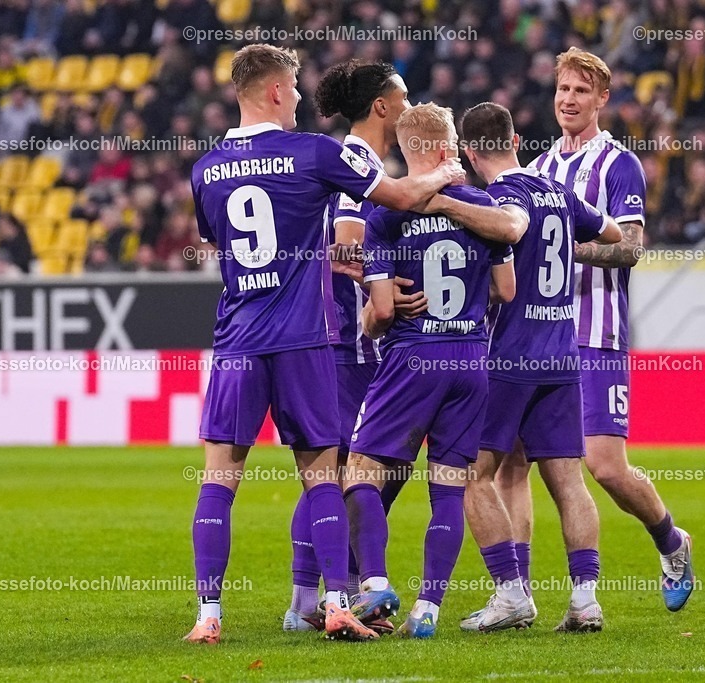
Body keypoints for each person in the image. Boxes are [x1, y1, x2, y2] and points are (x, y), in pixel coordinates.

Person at [185, 44, 465, 645]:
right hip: (304, 339)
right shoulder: (314, 152)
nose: (298, 99)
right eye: (293, 87)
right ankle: (336, 602)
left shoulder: (204, 169)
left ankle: (208, 616)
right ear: (276, 91)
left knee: (218, 479)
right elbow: (398, 200)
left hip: (238, 340)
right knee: (322, 474)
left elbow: (217, 240)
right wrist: (445, 173)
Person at [503, 48, 696, 617]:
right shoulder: (538, 168)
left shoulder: (619, 164)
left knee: (605, 466)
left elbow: (631, 248)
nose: (569, 100)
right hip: (537, 336)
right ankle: (516, 593)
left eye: (581, 91)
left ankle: (671, 540)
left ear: (602, 99)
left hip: (596, 334)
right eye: (563, 89)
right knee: (513, 461)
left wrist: (565, 250)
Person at [342, 103, 516, 639]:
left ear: (404, 149)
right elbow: (506, 290)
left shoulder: (385, 214)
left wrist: (373, 317)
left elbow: (381, 314)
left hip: (413, 358)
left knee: (359, 472)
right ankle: (428, 610)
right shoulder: (481, 206)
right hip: (470, 359)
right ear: (447, 149)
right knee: (448, 487)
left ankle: (374, 583)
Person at [456, 101, 623, 633]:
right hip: (562, 355)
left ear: (469, 152)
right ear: (514, 139)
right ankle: (585, 600)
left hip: (509, 356)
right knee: (568, 481)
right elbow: (614, 234)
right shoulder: (558, 191)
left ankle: (511, 593)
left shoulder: (495, 201)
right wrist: (569, 244)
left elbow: (508, 239)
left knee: (472, 475)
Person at [283, 59, 418, 635]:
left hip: (349, 340)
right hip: (346, 341)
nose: (412, 107)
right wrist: (382, 287)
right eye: (404, 97)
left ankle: (324, 594)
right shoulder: (357, 161)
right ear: (382, 106)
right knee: (341, 469)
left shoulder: (364, 161)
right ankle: (308, 602)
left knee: (354, 467)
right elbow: (343, 250)